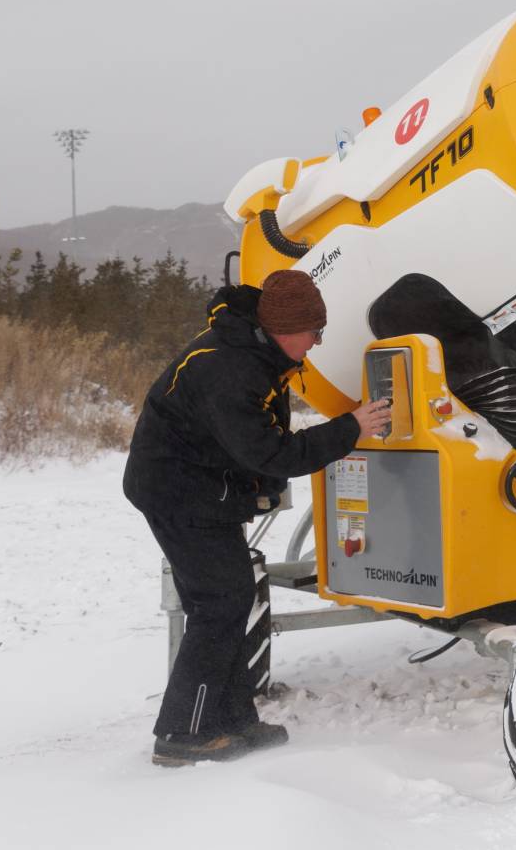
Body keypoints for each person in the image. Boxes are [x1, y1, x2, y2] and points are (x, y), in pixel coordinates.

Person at [123, 268, 391, 767]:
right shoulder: (229, 368)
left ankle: (231, 718)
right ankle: (183, 733)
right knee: (219, 604)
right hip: (177, 492)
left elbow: (254, 438)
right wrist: (350, 428)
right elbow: (269, 451)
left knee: (233, 596)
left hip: (206, 487)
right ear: (286, 330)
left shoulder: (255, 351)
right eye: (315, 333)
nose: (316, 343)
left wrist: (260, 487)